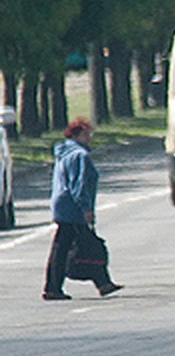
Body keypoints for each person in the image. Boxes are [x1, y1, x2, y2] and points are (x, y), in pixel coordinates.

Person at [42, 119, 123, 300]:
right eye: (86, 135)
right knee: (81, 245)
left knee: (70, 245)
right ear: (76, 135)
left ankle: (102, 282)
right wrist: (86, 208)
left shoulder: (65, 153)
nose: (89, 139)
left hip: (63, 205)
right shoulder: (79, 156)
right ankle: (55, 288)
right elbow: (78, 185)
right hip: (72, 208)